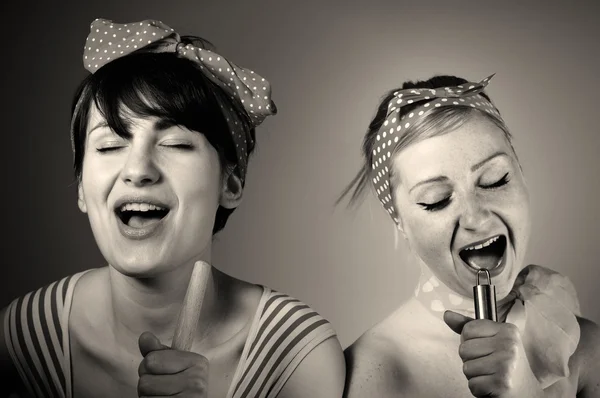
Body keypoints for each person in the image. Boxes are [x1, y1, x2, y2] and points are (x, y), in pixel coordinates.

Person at [0, 18, 345, 398]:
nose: (137, 170)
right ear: (82, 186)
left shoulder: (297, 355)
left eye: (176, 144)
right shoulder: (22, 340)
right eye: (109, 146)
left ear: (230, 185)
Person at [339, 74, 600, 397]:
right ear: (401, 224)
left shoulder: (586, 349)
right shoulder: (369, 374)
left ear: (522, 175)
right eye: (436, 200)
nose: (476, 217)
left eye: (495, 179)